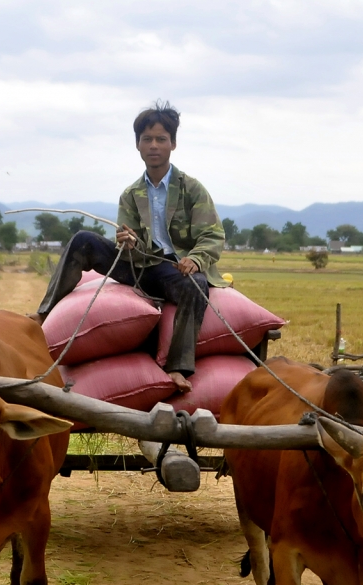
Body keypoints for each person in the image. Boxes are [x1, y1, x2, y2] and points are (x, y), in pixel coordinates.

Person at [31, 100, 226, 392]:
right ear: (137, 145)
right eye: (147, 139)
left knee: (197, 285)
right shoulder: (131, 194)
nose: (154, 145)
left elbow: (213, 235)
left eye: (161, 139)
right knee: (83, 240)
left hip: (174, 271)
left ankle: (177, 367)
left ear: (173, 143)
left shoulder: (192, 189)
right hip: (139, 267)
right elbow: (127, 245)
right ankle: (44, 314)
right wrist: (127, 243)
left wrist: (196, 259)